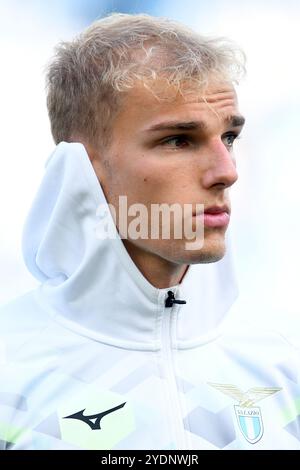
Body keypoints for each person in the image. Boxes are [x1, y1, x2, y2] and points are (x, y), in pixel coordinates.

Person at [0, 13, 299, 451]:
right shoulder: (11, 367)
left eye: (229, 137)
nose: (227, 172)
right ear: (81, 169)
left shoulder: (284, 357)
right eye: (179, 139)